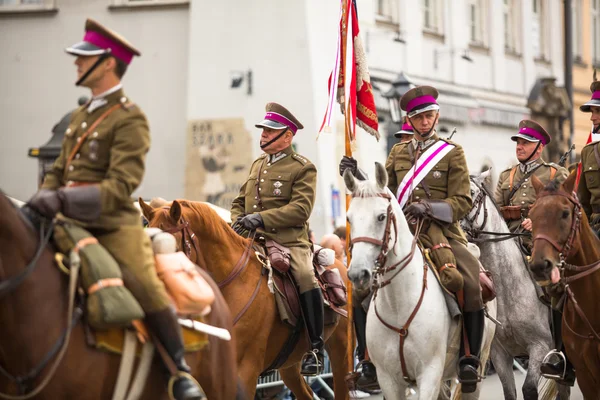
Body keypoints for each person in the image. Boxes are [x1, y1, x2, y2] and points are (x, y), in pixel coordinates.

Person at [26, 19, 203, 400]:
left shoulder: (130, 118)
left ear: (107, 63)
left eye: (84, 58)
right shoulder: (79, 117)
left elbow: (120, 186)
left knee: (144, 284)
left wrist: (60, 199)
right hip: (63, 221)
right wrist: (41, 200)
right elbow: (58, 172)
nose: (76, 64)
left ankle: (179, 371)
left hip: (110, 225)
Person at [340, 86, 484, 393]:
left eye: (429, 115)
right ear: (409, 119)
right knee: (361, 292)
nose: (424, 122)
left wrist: (430, 208)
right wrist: (358, 173)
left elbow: (462, 201)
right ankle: (366, 359)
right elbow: (383, 190)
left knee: (471, 280)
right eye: (418, 117)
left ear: (437, 116)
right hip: (400, 229)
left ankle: (468, 358)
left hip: (440, 230)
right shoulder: (397, 153)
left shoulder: (451, 152)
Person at [230, 102, 324, 375]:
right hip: (254, 239)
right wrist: (238, 220)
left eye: (270, 131)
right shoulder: (257, 164)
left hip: (290, 242)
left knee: (305, 276)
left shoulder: (303, 168)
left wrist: (261, 218)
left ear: (287, 136)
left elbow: (300, 209)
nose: (263, 135)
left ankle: (315, 348)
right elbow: (239, 201)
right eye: (263, 130)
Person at [540, 80, 600, 386]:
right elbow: (585, 202)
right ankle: (561, 355)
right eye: (591, 112)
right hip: (595, 226)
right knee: (560, 284)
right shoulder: (588, 153)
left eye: (597, 112)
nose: (592, 117)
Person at [494, 120, 568, 251]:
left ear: (539, 148)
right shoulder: (506, 175)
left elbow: (565, 212)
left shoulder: (555, 174)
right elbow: (496, 213)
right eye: (518, 143)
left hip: (542, 241)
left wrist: (539, 221)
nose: (519, 147)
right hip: (509, 241)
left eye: (525, 143)